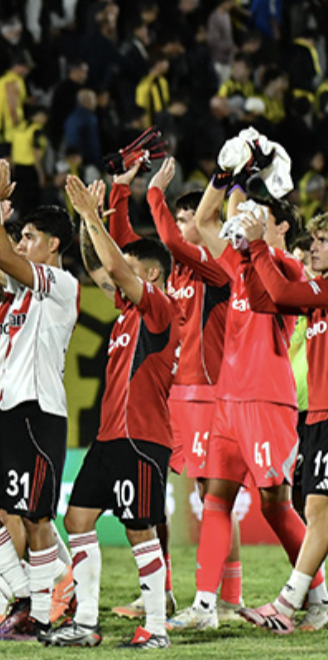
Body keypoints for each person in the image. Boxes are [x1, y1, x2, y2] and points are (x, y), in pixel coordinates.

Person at [170, 170, 328, 631]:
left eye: (261, 218)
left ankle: (316, 598)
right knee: (216, 497)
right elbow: (202, 221)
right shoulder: (237, 266)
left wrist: (254, 235)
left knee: (276, 502)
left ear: (281, 229)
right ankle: (204, 606)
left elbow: (277, 289)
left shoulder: (289, 267)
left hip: (266, 398)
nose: (247, 222)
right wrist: (228, 175)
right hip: (229, 398)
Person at [40, 175, 178, 649]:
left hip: (142, 437)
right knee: (77, 520)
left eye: (131, 267)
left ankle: (156, 628)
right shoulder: (125, 312)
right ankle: (87, 623)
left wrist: (96, 217)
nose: (116, 272)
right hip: (109, 437)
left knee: (139, 528)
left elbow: (116, 270)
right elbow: (103, 267)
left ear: (152, 275)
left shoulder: (160, 309)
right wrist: (85, 220)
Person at [106, 158, 238, 622]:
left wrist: (156, 195)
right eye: (180, 220)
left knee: (212, 493)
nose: (180, 230)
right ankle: (159, 593)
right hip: (164, 398)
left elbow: (168, 243)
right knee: (152, 495)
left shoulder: (217, 274)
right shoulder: (167, 278)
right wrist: (121, 192)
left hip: (204, 394)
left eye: (189, 221)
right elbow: (126, 248)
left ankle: (229, 597)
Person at [0, 158, 78, 641]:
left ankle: (44, 613)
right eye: (20, 236)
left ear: (51, 245)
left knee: (35, 516)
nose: (21, 242)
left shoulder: (61, 285)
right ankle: (26, 594)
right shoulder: (19, 291)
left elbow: (3, 257)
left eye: (29, 236)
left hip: (36, 410)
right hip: (1, 409)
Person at [237, 212, 328, 633]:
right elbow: (266, 299)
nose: (314, 247)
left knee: (317, 509)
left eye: (323, 240)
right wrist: (248, 258)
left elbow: (282, 292)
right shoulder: (318, 290)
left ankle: (287, 605)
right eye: (314, 239)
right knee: (315, 508)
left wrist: (258, 245)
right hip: (317, 414)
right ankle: (315, 605)